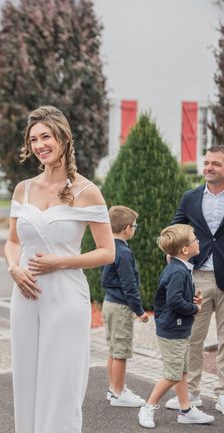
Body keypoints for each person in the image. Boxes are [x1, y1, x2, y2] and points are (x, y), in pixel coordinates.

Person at [5, 105, 114, 433]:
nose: (39, 145)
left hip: (66, 297)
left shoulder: (87, 191)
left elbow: (107, 252)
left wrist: (60, 261)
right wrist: (13, 267)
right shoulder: (22, 188)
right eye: (34, 139)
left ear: (64, 138)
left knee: (61, 382)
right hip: (24, 296)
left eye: (46, 137)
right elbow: (12, 242)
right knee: (26, 377)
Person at [165, 145, 224, 414]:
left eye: (216, 164)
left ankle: (223, 394)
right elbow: (175, 229)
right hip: (197, 277)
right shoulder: (190, 197)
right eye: (207, 162)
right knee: (192, 339)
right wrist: (174, 259)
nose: (209, 167)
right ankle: (192, 393)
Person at [138, 224, 214, 428]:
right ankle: (148, 406)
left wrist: (192, 301)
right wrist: (194, 309)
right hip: (172, 330)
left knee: (181, 371)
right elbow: (174, 301)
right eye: (195, 240)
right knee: (172, 374)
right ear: (185, 250)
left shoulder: (180, 267)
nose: (198, 241)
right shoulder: (178, 271)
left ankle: (186, 410)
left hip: (178, 328)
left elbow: (177, 296)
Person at [101, 205, 148, 407]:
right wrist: (139, 311)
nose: (135, 229)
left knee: (113, 349)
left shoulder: (108, 247)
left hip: (108, 302)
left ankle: (114, 389)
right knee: (121, 351)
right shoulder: (124, 253)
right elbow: (129, 285)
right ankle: (120, 394)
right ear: (127, 228)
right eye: (135, 226)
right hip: (120, 307)